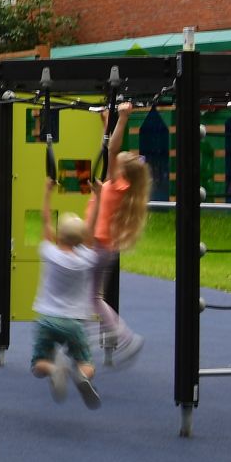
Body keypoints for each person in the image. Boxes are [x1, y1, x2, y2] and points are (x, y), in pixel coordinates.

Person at [85, 103, 149, 367]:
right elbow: (111, 149)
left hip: (97, 245)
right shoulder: (120, 186)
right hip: (103, 246)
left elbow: (111, 151)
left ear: (122, 172)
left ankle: (118, 335)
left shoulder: (119, 183)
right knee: (92, 297)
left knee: (85, 296)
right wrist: (108, 122)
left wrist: (122, 118)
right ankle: (121, 334)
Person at [32, 180, 101, 409]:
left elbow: (45, 221)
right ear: (81, 240)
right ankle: (81, 375)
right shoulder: (86, 259)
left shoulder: (50, 252)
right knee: (86, 362)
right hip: (74, 322)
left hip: (47, 319)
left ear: (57, 236)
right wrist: (98, 196)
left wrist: (46, 192)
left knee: (38, 364)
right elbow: (91, 231)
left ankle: (53, 369)